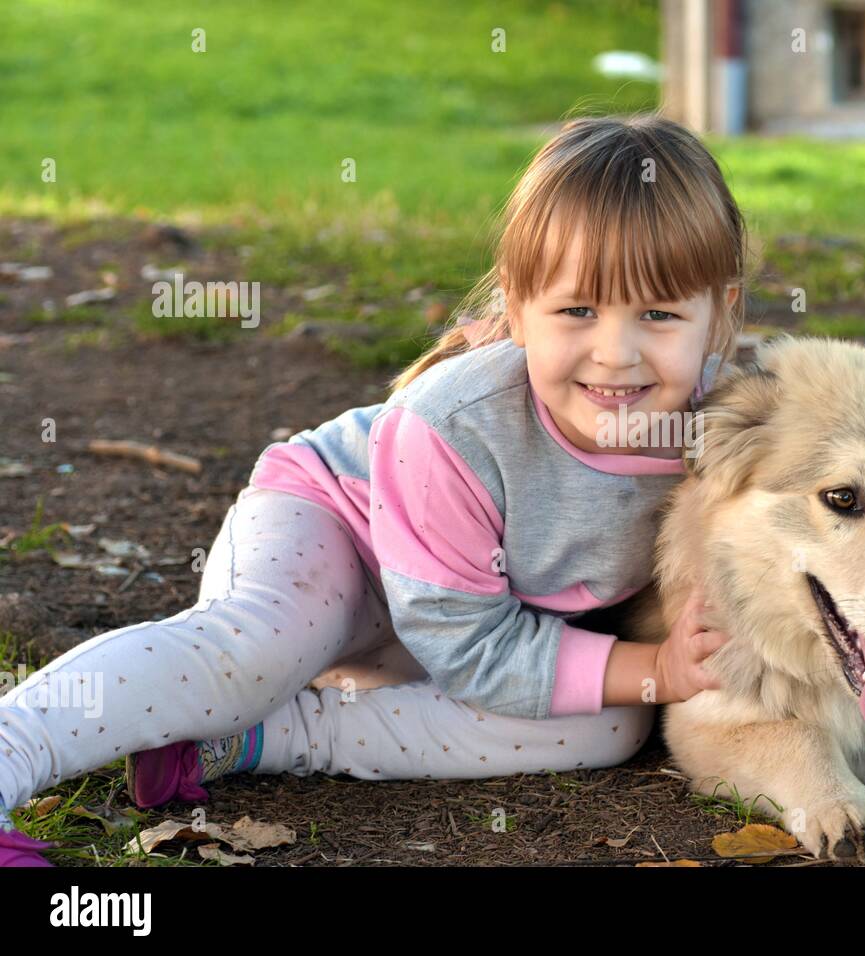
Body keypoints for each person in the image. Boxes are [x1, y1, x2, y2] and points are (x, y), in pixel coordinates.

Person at [0, 113, 753, 865]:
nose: (615, 353)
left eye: (658, 314)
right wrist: (656, 666)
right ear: (518, 307)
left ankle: (256, 738)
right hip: (335, 538)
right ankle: (15, 754)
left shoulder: (733, 424)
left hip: (469, 621)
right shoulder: (453, 424)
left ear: (721, 312)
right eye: (577, 310)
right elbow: (468, 645)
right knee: (251, 655)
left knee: (610, 725)